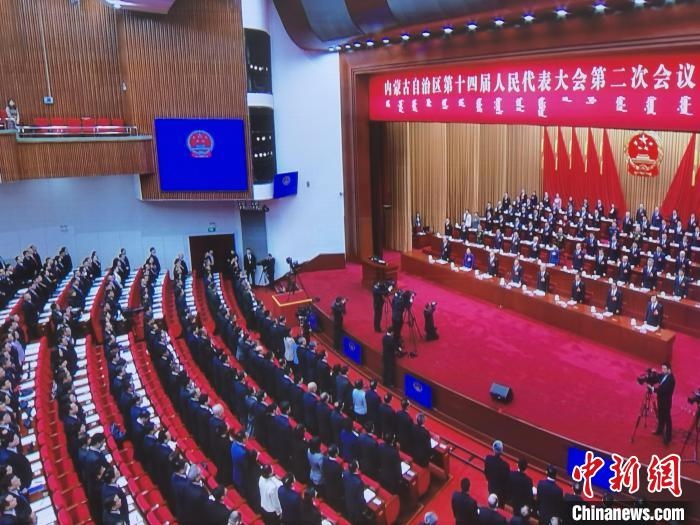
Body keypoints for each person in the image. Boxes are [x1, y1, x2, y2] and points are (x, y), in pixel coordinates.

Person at [650, 362, 675, 445]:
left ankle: (668, 437)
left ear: (669, 370)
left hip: (666, 402)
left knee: (667, 419)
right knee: (660, 416)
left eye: (664, 369)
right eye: (662, 368)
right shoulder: (664, 375)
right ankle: (659, 430)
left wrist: (653, 389)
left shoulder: (671, 379)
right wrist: (653, 373)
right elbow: (658, 377)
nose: (662, 370)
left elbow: (663, 390)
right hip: (660, 400)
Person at [484, 440, 509, 507]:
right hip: (500, 492)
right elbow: (506, 481)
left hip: (491, 487)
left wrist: (490, 480)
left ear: (493, 449)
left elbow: (486, 473)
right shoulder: (505, 465)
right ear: (502, 451)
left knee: (491, 503)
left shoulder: (488, 459)